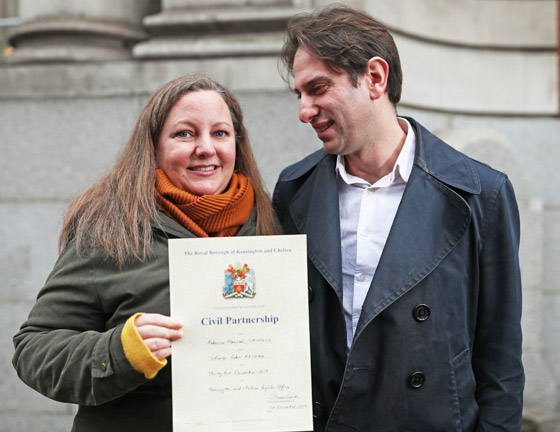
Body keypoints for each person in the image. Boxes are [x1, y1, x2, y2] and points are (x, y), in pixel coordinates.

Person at [273, 5, 524, 431]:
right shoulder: (293, 189)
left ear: (375, 77)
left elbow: (500, 360)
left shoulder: (481, 193)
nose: (304, 110)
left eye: (318, 88)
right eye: (300, 94)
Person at [12, 74, 280, 431]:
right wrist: (119, 352)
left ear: (237, 144)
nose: (205, 148)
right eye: (184, 134)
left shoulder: (272, 224)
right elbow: (33, 350)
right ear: (153, 147)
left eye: (220, 133)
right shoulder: (110, 230)